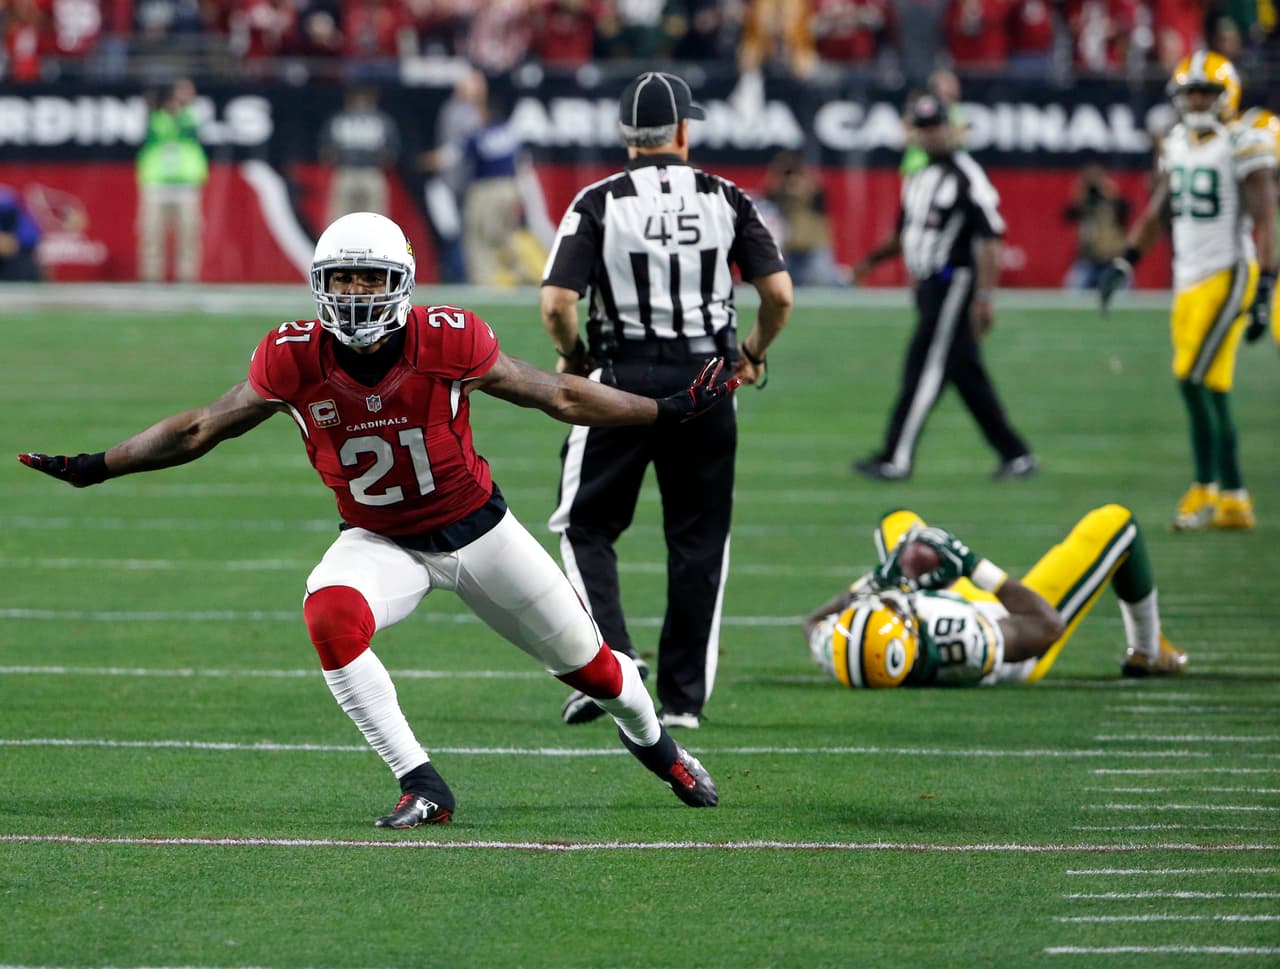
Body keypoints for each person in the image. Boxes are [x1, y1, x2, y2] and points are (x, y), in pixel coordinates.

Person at [18, 211, 739, 828]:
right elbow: (201, 427)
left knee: (596, 671)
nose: (355, 293)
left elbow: (555, 393)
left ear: (401, 282)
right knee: (329, 613)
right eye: (342, 278)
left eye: (369, 278)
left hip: (480, 532)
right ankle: (422, 782)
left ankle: (661, 750)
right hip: (380, 540)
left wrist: (663, 411)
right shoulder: (293, 355)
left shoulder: (448, 338)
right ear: (320, 284)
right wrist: (99, 464)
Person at [541, 70, 794, 729]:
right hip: (707, 379)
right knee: (698, 539)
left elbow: (556, 302)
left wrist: (573, 358)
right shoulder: (726, 197)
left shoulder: (597, 200)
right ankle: (682, 699)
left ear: (627, 135)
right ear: (683, 130)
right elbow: (779, 296)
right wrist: (753, 353)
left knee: (585, 524)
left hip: (621, 375)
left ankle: (613, 662)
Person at [1099, 52, 1277, 532]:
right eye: (1191, 92)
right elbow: (1160, 208)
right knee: (1212, 390)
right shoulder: (1175, 142)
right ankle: (1236, 500)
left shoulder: (1243, 139)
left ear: (1227, 95)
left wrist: (1265, 285)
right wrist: (1126, 259)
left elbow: (1265, 217)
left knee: (1191, 379)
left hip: (1230, 271)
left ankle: (1204, 489)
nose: (1197, 100)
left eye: (1206, 92)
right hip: (1189, 277)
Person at [802, 503, 1188, 690]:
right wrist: (971, 564)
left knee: (900, 525)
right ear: (907, 628)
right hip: (1010, 625)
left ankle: (918, 560)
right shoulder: (961, 641)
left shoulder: (849, 649)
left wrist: (871, 583)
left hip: (947, 607)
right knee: (1116, 523)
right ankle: (1148, 651)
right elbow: (1044, 626)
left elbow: (812, 624)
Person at [853, 93, 1036, 482]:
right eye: (922, 128)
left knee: (922, 370)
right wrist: (869, 262)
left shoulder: (966, 176)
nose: (929, 136)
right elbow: (904, 234)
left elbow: (990, 237)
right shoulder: (919, 178)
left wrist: (985, 297)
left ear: (951, 129)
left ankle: (896, 457)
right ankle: (1015, 453)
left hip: (954, 283)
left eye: (935, 127)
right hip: (926, 287)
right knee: (966, 375)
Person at [136, 78, 207, 283]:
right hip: (157, 185)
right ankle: (151, 277)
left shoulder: (191, 117)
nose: (189, 94)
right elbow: (157, 129)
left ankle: (187, 278)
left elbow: (189, 128)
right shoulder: (155, 118)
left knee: (189, 236)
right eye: (184, 90)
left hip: (185, 185)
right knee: (152, 235)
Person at [320, 86, 402, 225]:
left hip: (354, 172)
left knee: (350, 220)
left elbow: (326, 153)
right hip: (362, 173)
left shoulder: (340, 119)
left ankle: (347, 246)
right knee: (369, 220)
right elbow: (392, 154)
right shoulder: (381, 119)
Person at [1062, 160, 1132, 290]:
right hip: (1088, 260)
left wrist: (1110, 194)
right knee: (1071, 296)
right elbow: (1067, 216)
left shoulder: (1114, 202)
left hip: (1112, 259)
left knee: (1123, 301)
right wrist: (1080, 196)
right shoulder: (1085, 203)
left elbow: (1126, 214)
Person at [0, 184, 42, 281]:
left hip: (11, 262)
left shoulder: (7, 201)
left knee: (24, 261)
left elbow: (32, 234)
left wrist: (14, 241)